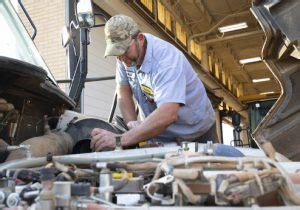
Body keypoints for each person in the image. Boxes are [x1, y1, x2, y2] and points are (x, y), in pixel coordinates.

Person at [90, 14, 217, 152]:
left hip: (196, 132)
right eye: (116, 52)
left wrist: (120, 140)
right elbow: (123, 92)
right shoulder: (124, 58)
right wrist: (131, 124)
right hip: (159, 135)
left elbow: (168, 114)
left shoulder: (167, 60)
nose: (120, 57)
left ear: (140, 39)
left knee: (207, 170)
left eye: (124, 50)